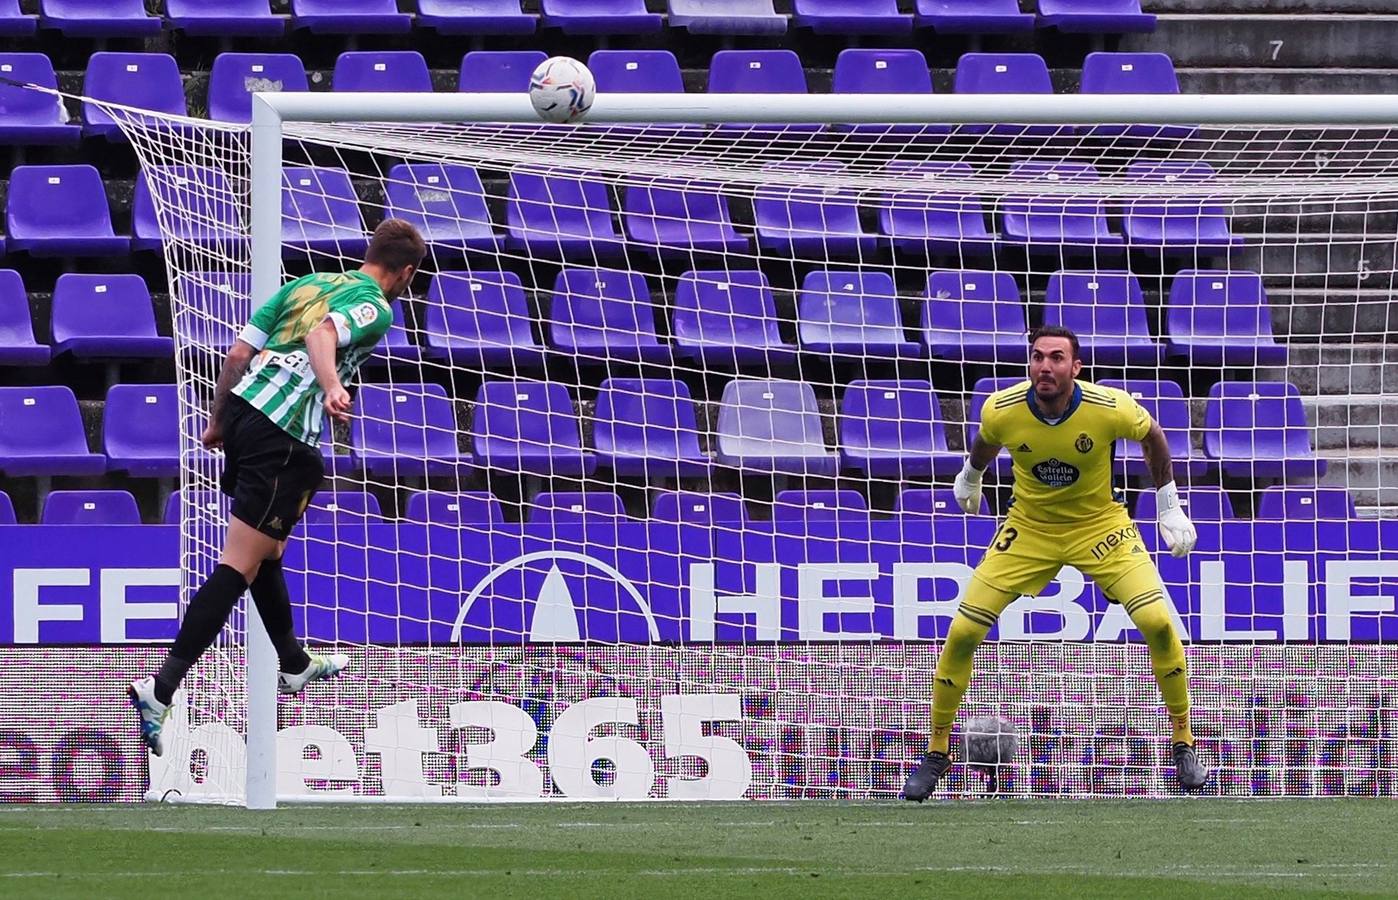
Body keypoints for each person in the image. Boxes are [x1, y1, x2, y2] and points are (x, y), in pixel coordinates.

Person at [129, 219, 427, 757]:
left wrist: (219, 419)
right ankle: (161, 687)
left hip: (245, 415)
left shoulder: (304, 284)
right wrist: (333, 384)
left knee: (269, 550)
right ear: (405, 272)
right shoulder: (375, 305)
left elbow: (238, 356)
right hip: (284, 435)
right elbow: (322, 335)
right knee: (239, 564)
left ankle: (292, 661)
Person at [903, 325, 1207, 800]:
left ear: (1075, 367)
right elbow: (986, 439)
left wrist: (1168, 505)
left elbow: (1154, 437)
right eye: (1038, 357)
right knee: (962, 632)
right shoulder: (1002, 408)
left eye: (1057, 358)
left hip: (1101, 527)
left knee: (1158, 624)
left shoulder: (1110, 407)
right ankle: (937, 750)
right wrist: (970, 475)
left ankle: (1184, 743)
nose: (1046, 366)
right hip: (1030, 529)